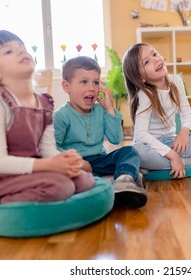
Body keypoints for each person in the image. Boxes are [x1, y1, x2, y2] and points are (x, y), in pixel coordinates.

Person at [0, 30, 95, 215]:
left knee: (84, 180)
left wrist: (64, 160)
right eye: (8, 51)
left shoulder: (44, 102)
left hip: (29, 166)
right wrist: (51, 166)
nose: (20, 52)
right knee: (61, 187)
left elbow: (47, 150)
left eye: (22, 47)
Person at [53, 56, 147, 208]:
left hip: (99, 160)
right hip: (76, 164)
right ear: (66, 86)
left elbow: (116, 139)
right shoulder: (61, 116)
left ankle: (124, 179)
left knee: (129, 151)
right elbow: (53, 148)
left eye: (96, 82)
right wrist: (79, 163)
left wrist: (109, 109)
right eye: (84, 82)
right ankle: (119, 181)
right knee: (76, 177)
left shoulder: (101, 111)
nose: (91, 88)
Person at [122, 43, 191, 179]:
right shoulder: (144, 95)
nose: (156, 59)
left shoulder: (176, 81)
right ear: (140, 78)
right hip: (152, 146)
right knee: (135, 151)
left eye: (155, 54)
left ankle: (155, 166)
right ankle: (190, 160)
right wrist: (172, 155)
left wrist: (184, 133)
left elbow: (187, 114)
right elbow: (141, 135)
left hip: (173, 141)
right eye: (147, 62)